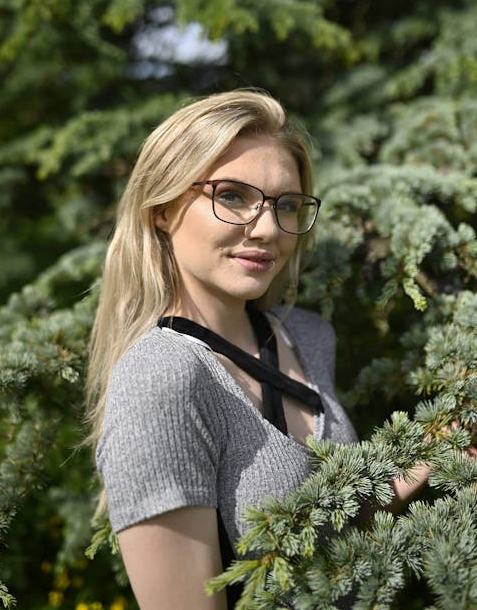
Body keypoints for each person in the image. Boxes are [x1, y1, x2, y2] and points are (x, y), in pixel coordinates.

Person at [86, 89, 428, 610]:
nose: (267, 229)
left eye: (286, 205)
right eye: (232, 196)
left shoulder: (308, 338)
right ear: (161, 207)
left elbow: (321, 529)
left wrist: (422, 461)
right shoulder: (162, 378)